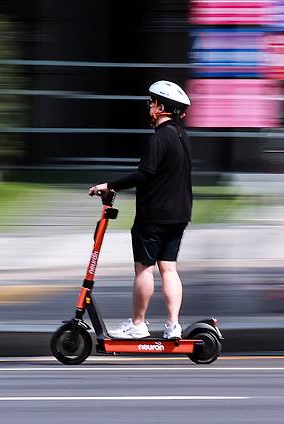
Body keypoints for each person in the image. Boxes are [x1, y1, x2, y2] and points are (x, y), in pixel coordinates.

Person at [89, 80, 192, 339]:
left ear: (161, 107)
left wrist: (110, 186)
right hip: (179, 214)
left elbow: (145, 174)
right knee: (169, 268)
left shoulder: (158, 139)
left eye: (151, 102)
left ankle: (138, 323)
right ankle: (173, 326)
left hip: (154, 216)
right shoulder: (182, 137)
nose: (148, 106)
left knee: (144, 269)